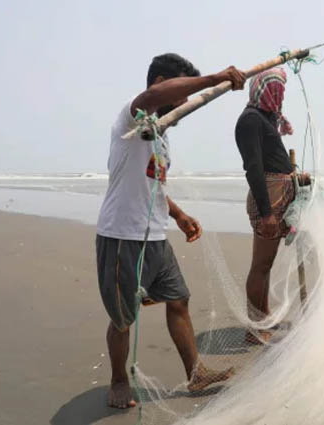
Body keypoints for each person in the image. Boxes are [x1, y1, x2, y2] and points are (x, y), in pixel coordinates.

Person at [95, 53, 246, 409]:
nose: (183, 104)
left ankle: (196, 374)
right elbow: (150, 99)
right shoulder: (131, 116)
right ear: (160, 83)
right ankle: (118, 381)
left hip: (156, 236)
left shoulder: (159, 137)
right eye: (179, 93)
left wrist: (177, 215)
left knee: (178, 299)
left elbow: (153, 186)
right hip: (122, 237)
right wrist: (213, 79)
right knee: (123, 317)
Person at [234, 68, 308, 343]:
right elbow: (253, 168)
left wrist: (293, 175)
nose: (282, 94)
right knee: (261, 265)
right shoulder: (250, 120)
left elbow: (274, 159)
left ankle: (263, 318)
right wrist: (266, 213)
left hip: (279, 196)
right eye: (279, 89)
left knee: (267, 264)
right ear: (266, 90)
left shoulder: (266, 119)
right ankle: (255, 328)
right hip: (268, 199)